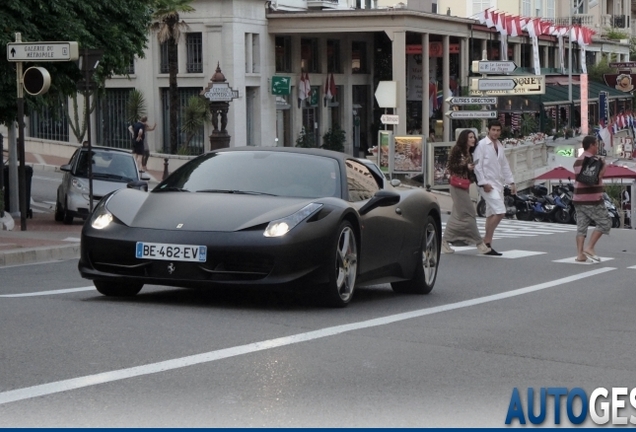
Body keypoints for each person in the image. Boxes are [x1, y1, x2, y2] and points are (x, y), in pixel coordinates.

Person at [441, 129, 491, 254]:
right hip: (457, 186)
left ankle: (444, 241)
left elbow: (468, 173)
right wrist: (466, 167)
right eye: (470, 137)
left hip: (464, 186)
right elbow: (451, 166)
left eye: (474, 137)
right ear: (464, 139)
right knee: (469, 214)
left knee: (456, 216)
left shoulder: (469, 153)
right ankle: (480, 243)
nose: (473, 139)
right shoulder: (457, 150)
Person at [472, 120, 516, 256]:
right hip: (487, 184)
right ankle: (485, 241)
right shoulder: (482, 145)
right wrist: (483, 183)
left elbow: (504, 165)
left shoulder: (499, 145)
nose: (495, 132)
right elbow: (477, 165)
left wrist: (511, 182)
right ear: (488, 130)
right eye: (493, 130)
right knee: (501, 212)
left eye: (498, 130)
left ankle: (488, 245)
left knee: (491, 214)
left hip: (498, 183)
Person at [572, 135, 610, 262]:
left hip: (578, 198)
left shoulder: (578, 160)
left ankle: (580, 254)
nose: (598, 146)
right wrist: (604, 166)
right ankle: (590, 247)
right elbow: (598, 176)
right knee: (605, 222)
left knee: (581, 226)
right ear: (591, 145)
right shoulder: (595, 161)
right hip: (592, 199)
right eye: (596, 144)